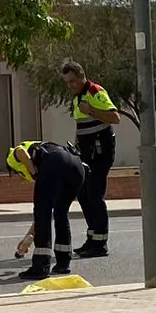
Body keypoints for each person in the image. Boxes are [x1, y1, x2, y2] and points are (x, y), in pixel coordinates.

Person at [59, 60, 119, 258]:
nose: (70, 85)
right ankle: (93, 238)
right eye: (67, 83)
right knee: (84, 195)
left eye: (73, 81)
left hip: (100, 154)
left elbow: (114, 118)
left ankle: (100, 244)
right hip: (86, 154)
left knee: (94, 196)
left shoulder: (95, 92)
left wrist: (91, 110)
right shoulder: (78, 98)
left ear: (82, 76)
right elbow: (82, 127)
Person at [5, 140, 84, 281]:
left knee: (43, 212)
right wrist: (27, 238)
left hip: (55, 162)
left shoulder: (12, 157)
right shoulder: (43, 150)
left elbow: (19, 152)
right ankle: (62, 263)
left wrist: (34, 173)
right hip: (76, 166)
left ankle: (40, 267)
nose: (21, 180)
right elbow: (40, 220)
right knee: (60, 212)